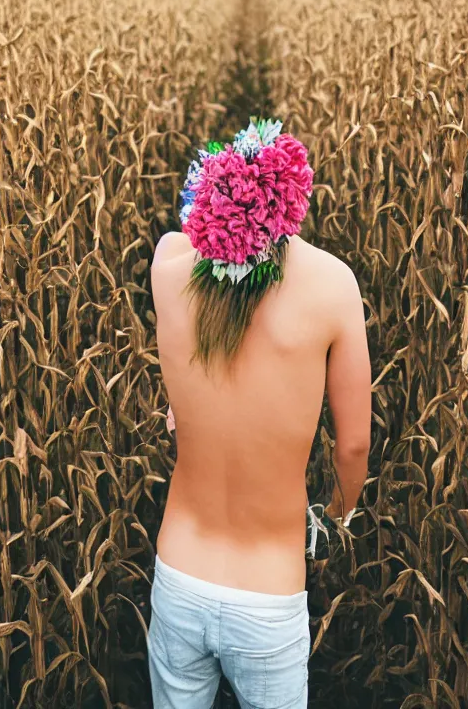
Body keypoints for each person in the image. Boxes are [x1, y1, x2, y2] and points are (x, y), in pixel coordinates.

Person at [147, 118, 371, 709]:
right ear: (293, 200)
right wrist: (336, 521)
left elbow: (182, 245)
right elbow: (352, 446)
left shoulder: (168, 269)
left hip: (178, 575)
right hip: (268, 598)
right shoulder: (333, 288)